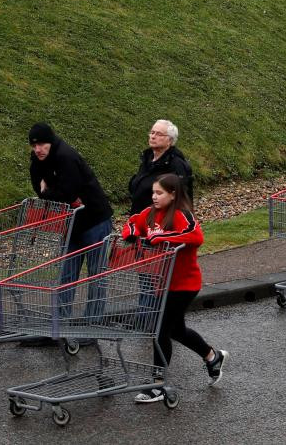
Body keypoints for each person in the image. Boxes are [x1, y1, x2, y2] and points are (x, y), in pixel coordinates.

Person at [125, 174, 227, 403]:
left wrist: (163, 237)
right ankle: (212, 356)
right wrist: (130, 234)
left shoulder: (182, 214)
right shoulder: (149, 214)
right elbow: (132, 222)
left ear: (173, 194)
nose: (154, 196)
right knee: (176, 330)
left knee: (161, 331)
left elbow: (195, 236)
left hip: (184, 284)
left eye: (159, 193)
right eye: (153, 192)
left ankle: (158, 385)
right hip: (162, 282)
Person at [28, 123, 114, 282]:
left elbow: (67, 193)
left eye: (41, 144)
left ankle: (93, 308)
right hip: (73, 222)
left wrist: (47, 192)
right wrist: (47, 193)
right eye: (34, 145)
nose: (37, 149)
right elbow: (37, 185)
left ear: (50, 142)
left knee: (96, 275)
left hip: (95, 219)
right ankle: (62, 308)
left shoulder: (66, 156)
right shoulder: (37, 159)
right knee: (66, 275)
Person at [128, 120, 194, 216]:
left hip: (160, 222)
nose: (153, 136)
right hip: (140, 218)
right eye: (152, 132)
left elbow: (182, 199)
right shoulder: (148, 159)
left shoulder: (176, 164)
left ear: (170, 140)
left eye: (159, 134)